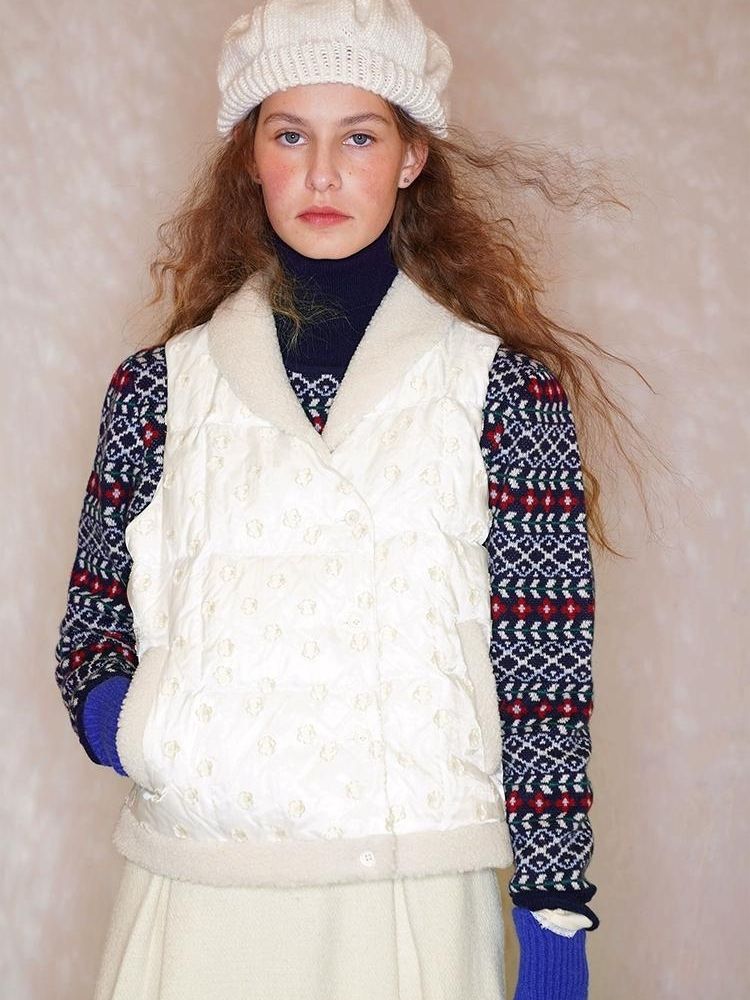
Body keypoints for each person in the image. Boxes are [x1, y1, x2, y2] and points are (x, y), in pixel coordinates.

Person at [54, 1, 614, 997]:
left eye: (358, 137)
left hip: (412, 888)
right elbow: (89, 627)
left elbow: (544, 670)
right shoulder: (158, 388)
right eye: (289, 135)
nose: (321, 174)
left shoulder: (503, 390)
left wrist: (553, 912)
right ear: (249, 156)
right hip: (198, 878)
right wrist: (147, 730)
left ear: (410, 158)